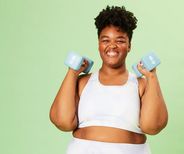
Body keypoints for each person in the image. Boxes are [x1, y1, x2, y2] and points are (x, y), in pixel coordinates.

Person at [49, 5, 168, 154]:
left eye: (120, 41)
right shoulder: (82, 82)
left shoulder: (141, 85)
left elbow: (153, 126)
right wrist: (72, 73)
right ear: (98, 44)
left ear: (129, 45)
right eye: (105, 40)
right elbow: (62, 122)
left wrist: (151, 76)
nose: (112, 46)